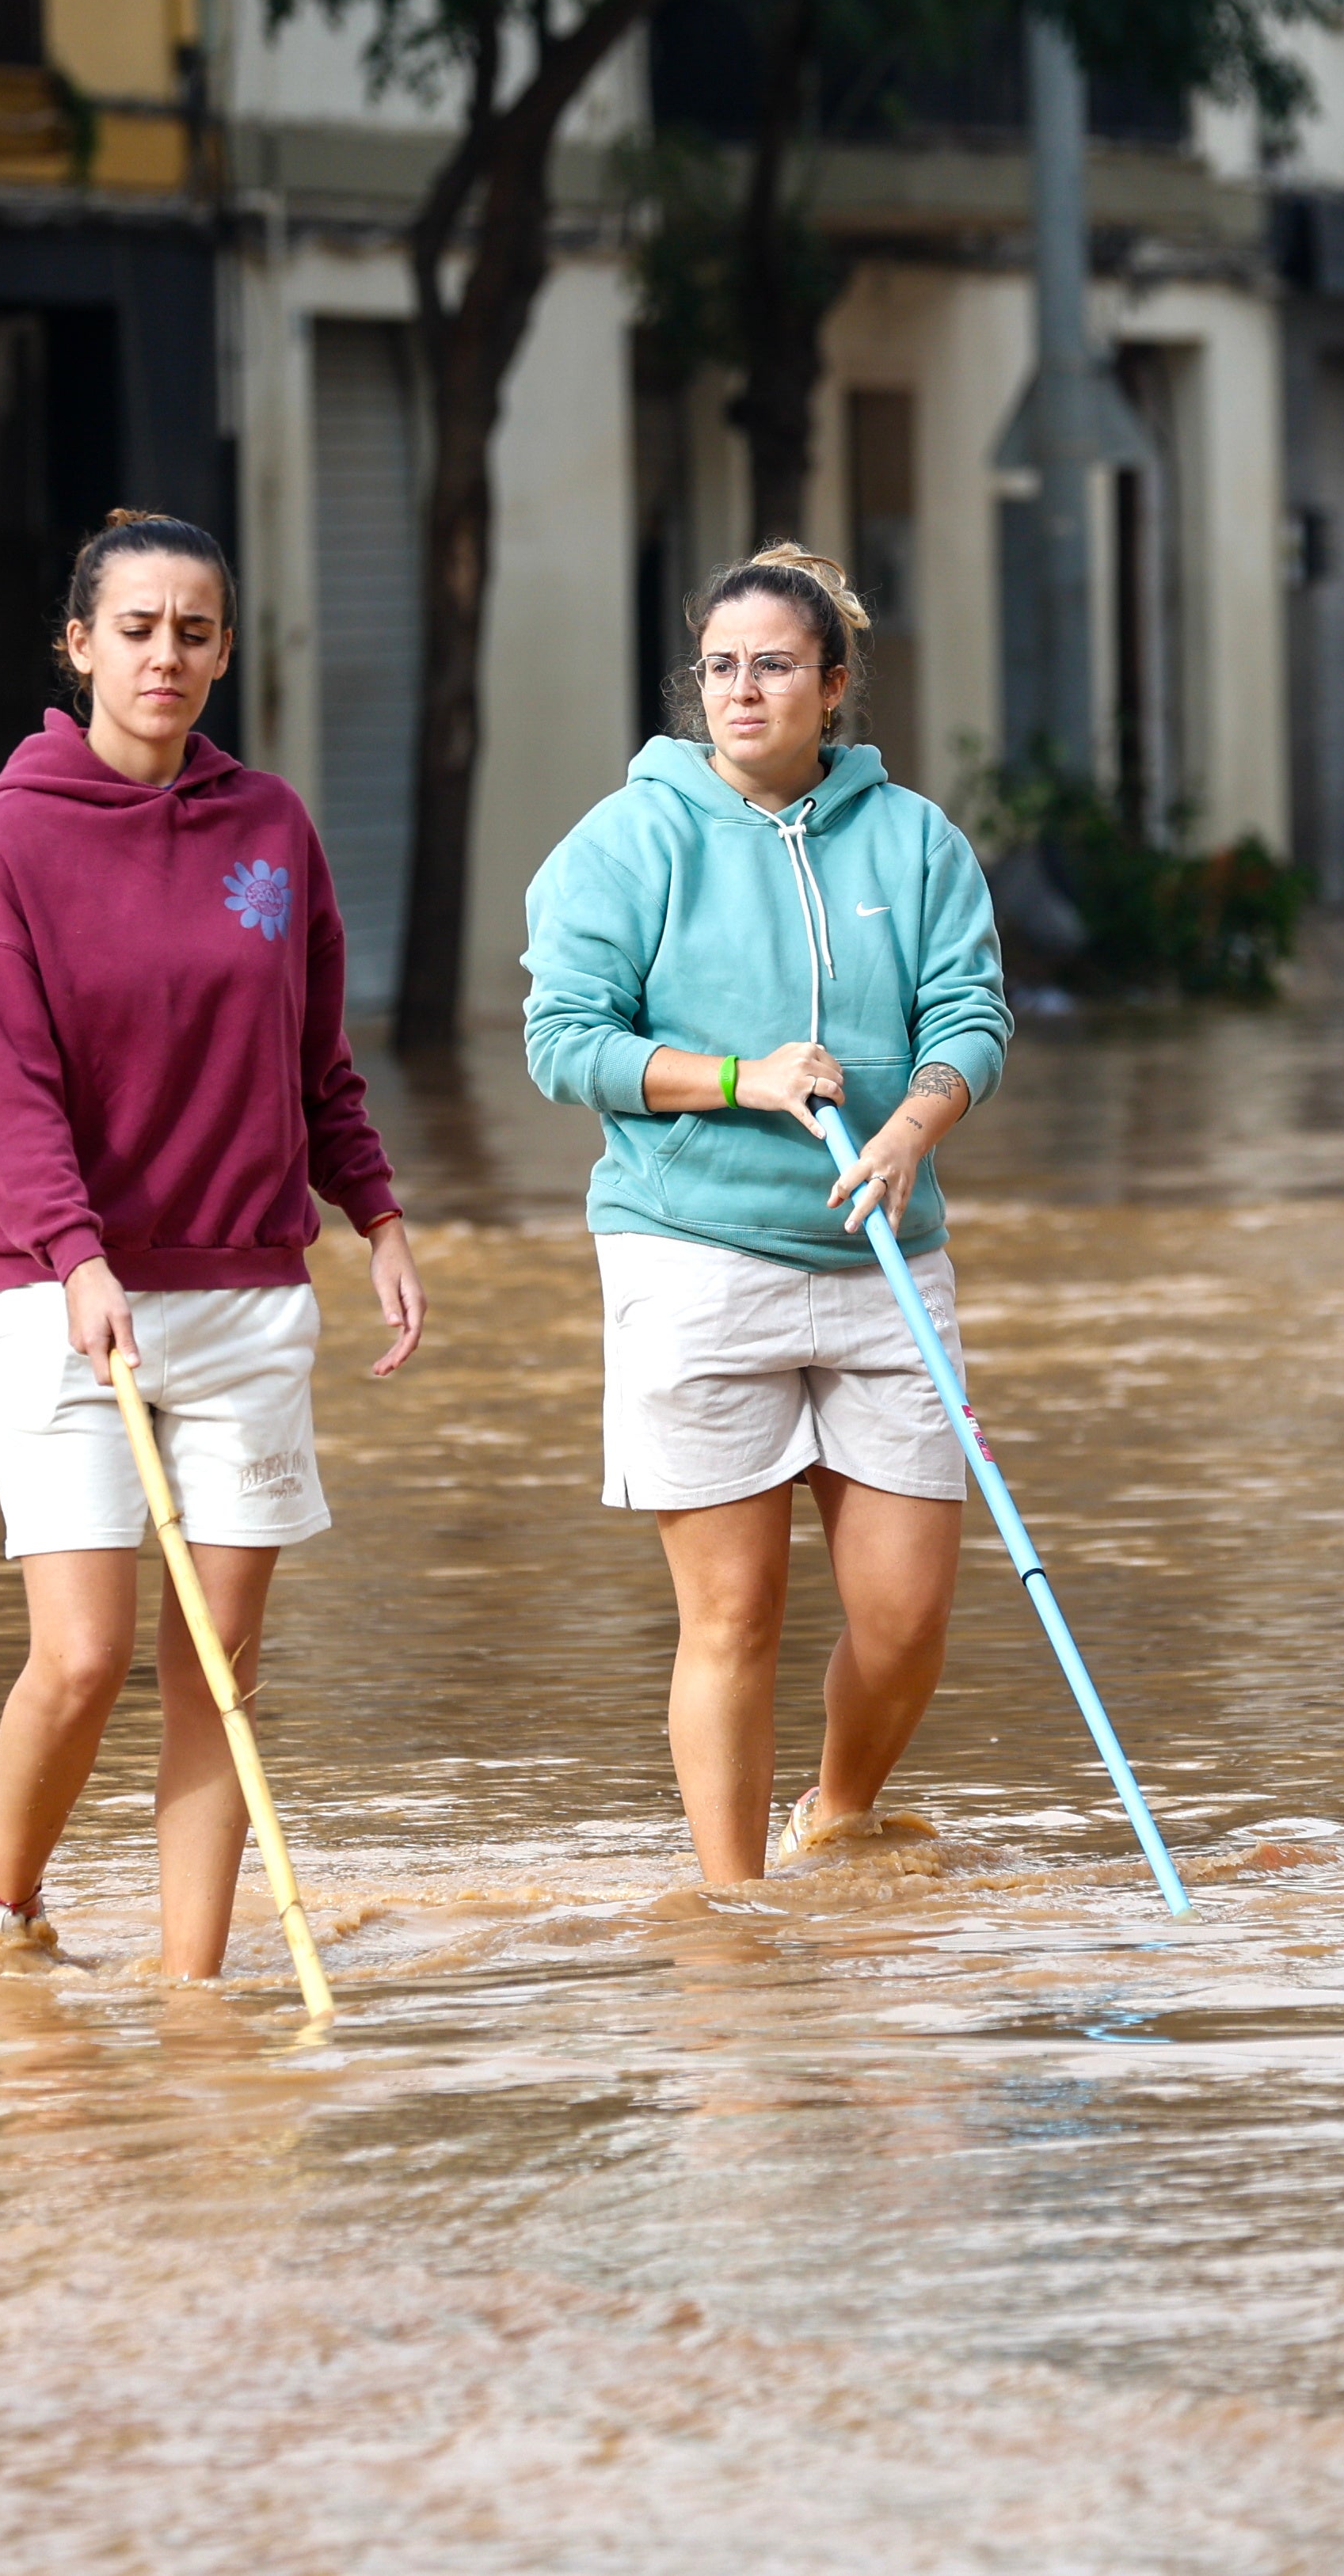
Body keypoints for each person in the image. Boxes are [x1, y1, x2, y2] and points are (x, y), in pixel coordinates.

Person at [0, 512, 427, 1965]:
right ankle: (5, 1906)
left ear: (224, 651)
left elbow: (316, 1056)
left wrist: (378, 1211)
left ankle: (192, 2000)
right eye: (139, 628)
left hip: (244, 1303)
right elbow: (9, 1092)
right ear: (79, 644)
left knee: (219, 1673)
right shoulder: (9, 838)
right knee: (83, 1656)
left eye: (196, 631)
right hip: (61, 1299)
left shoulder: (270, 827)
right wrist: (81, 1260)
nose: (168, 656)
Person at [520, 546, 1013, 1882]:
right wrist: (741, 1078)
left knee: (906, 1618)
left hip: (882, 1254)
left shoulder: (914, 841)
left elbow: (972, 1016)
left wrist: (914, 1127)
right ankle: (732, 1917)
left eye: (774, 667)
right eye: (721, 667)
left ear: (833, 687)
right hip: (690, 1252)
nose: (741, 691)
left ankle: (841, 1812)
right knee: (734, 1614)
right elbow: (566, 1045)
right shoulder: (627, 841)